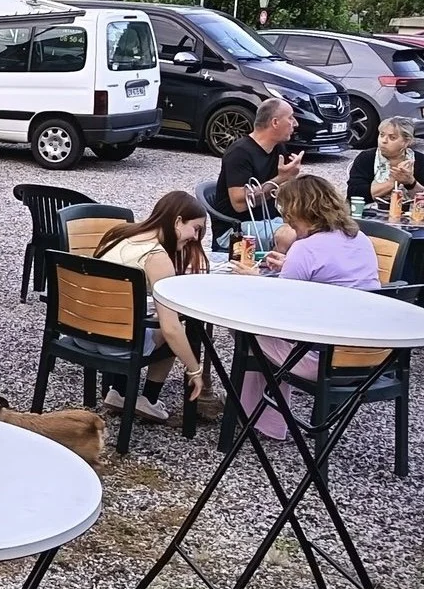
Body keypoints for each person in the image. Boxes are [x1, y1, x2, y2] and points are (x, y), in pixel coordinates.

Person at [237, 174, 381, 439]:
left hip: (324, 361)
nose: (287, 220)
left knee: (248, 334)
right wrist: (289, 266)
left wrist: (257, 281)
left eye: (288, 214)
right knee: (266, 339)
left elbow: (279, 312)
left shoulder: (305, 249)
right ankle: (257, 415)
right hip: (376, 354)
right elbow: (333, 277)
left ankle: (263, 421)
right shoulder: (359, 238)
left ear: (302, 211)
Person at [90, 191, 213, 423]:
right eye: (196, 229)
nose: (196, 238)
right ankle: (149, 399)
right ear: (177, 221)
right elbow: (171, 329)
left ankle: (118, 392)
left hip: (82, 333)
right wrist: (194, 370)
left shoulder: (118, 234)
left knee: (130, 316)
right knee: (174, 331)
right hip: (114, 345)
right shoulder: (155, 257)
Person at [215, 97, 304, 251]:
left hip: (269, 220)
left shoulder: (278, 149)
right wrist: (282, 178)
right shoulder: (239, 153)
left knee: (314, 230)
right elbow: (240, 204)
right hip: (235, 230)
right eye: (290, 118)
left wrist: (292, 179)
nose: (295, 123)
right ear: (275, 122)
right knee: (292, 236)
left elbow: (279, 193)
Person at [346, 116, 424, 208]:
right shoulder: (366, 158)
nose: (384, 141)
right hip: (370, 214)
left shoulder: (423, 161)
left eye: (392, 138)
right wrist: (391, 182)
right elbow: (354, 194)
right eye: (382, 135)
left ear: (407, 142)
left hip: (410, 216)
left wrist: (411, 182)